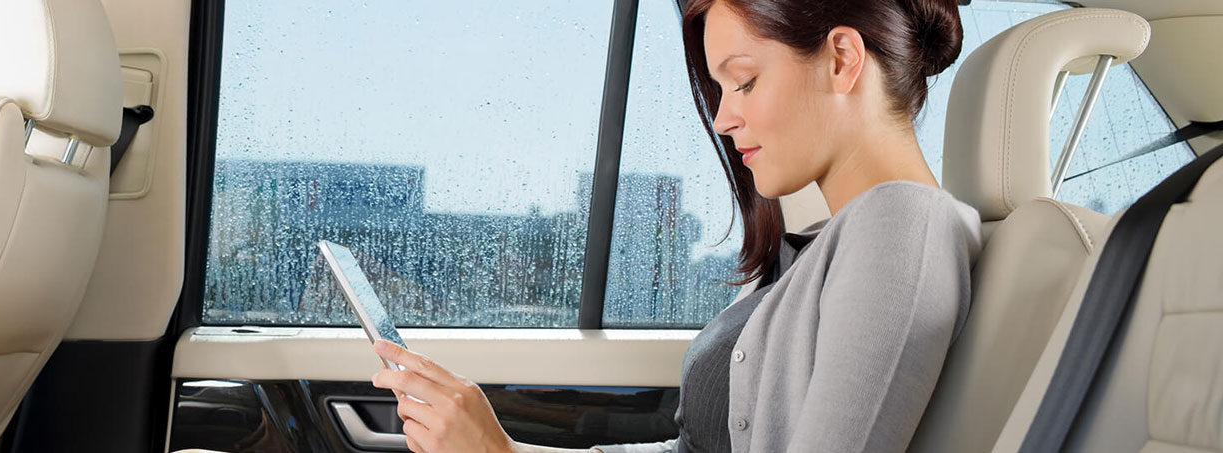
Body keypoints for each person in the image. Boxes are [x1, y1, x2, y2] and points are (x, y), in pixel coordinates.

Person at [369, 0, 982, 451]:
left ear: (842, 59)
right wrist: (499, 448)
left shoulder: (903, 228)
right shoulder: (822, 246)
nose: (722, 118)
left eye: (744, 81)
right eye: (720, 89)